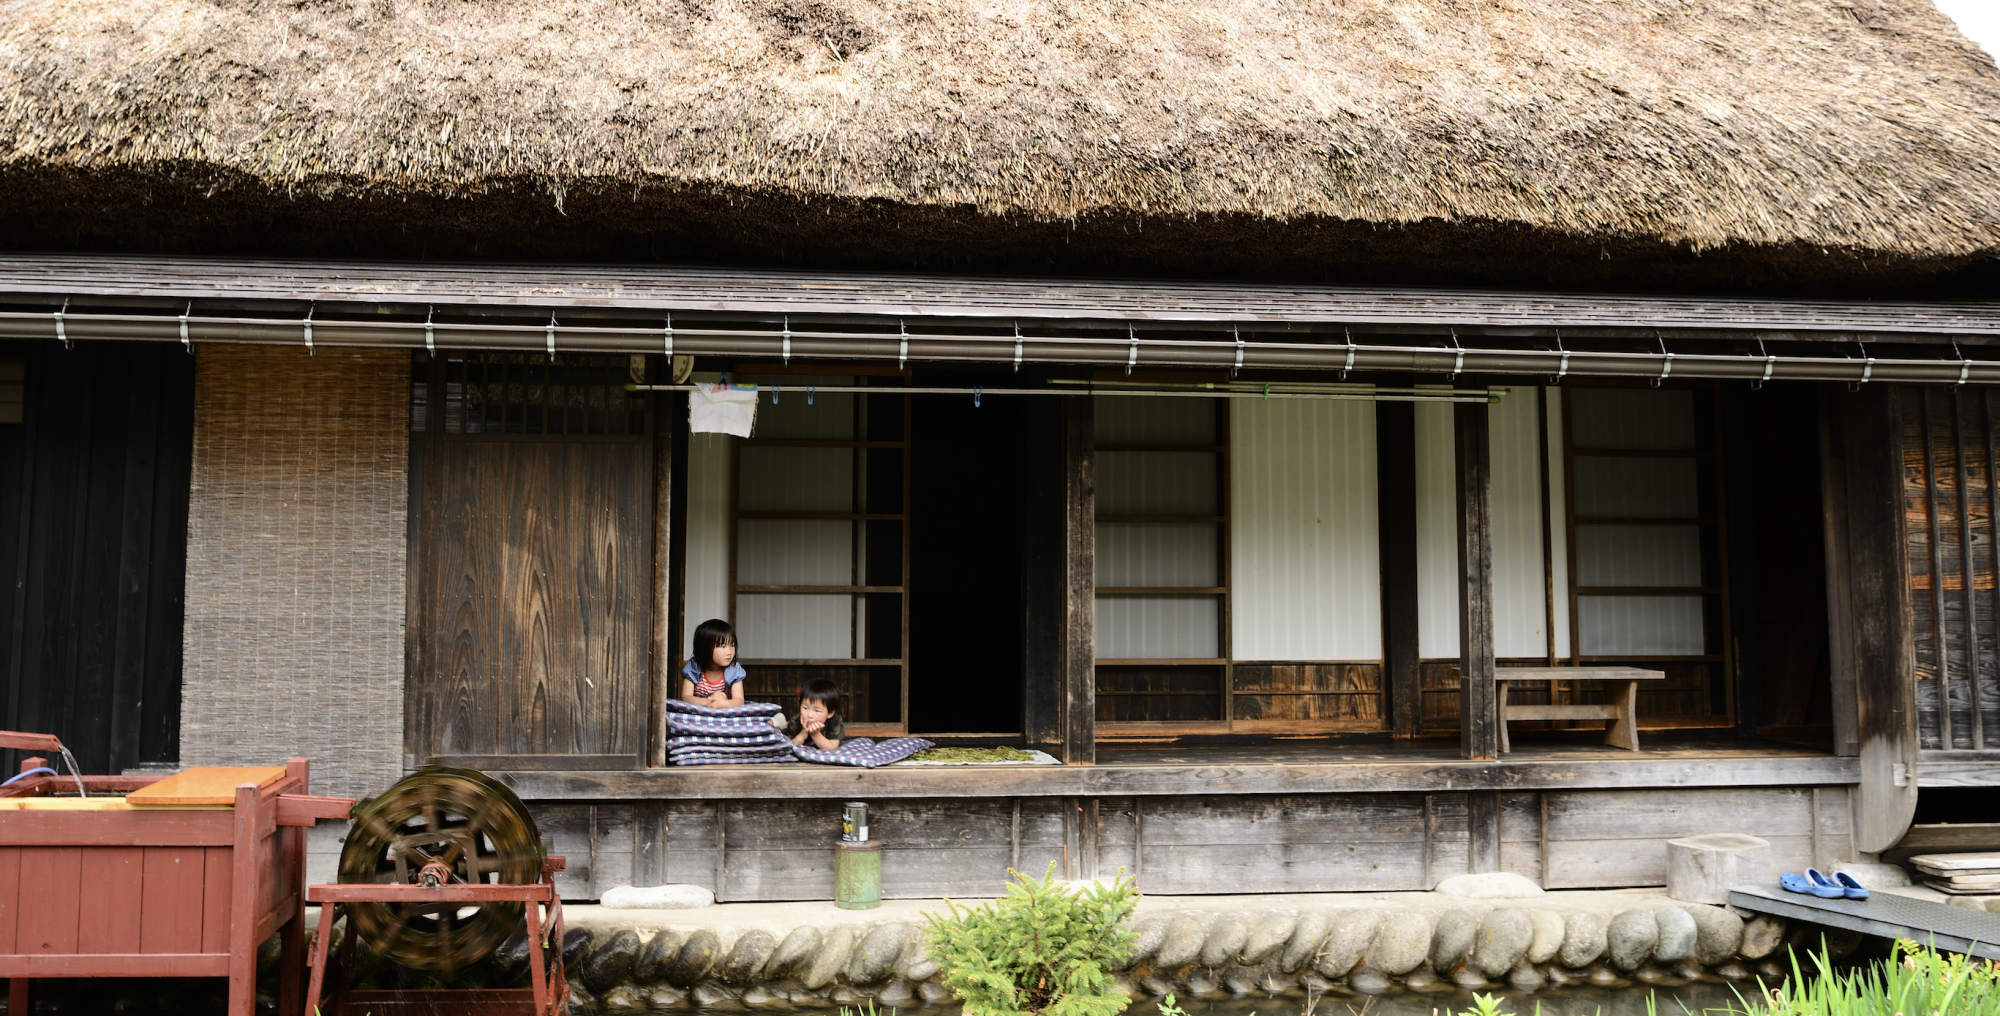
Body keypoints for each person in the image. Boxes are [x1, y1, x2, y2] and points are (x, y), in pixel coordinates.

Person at [680, 618, 746, 708]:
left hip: (725, 713)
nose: (729, 652)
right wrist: (708, 702)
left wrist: (724, 704)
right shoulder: (693, 667)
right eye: (723, 646)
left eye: (732, 645)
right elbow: (686, 697)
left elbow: (739, 700)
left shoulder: (733, 669)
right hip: (700, 713)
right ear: (705, 648)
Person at [786, 678, 845, 750]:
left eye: (817, 710)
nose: (809, 715)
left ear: (830, 713)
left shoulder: (834, 720)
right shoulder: (795, 721)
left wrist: (815, 734)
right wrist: (802, 734)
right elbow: (788, 746)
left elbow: (832, 747)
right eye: (805, 708)